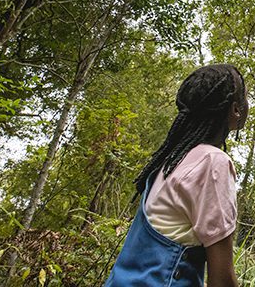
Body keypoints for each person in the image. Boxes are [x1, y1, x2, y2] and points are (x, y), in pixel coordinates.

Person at [105, 64, 247, 287]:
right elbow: (221, 280)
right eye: (244, 97)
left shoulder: (168, 162)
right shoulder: (212, 162)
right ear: (235, 110)